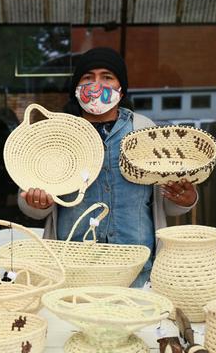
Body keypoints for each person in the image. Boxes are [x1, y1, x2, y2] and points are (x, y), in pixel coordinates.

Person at [18, 47, 198, 287]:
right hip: (73, 267)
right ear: (76, 88)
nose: (96, 85)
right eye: (87, 78)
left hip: (137, 268)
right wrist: (36, 203)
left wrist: (184, 199)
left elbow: (163, 203)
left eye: (107, 77)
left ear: (121, 88)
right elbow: (30, 197)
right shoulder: (58, 134)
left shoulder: (145, 131)